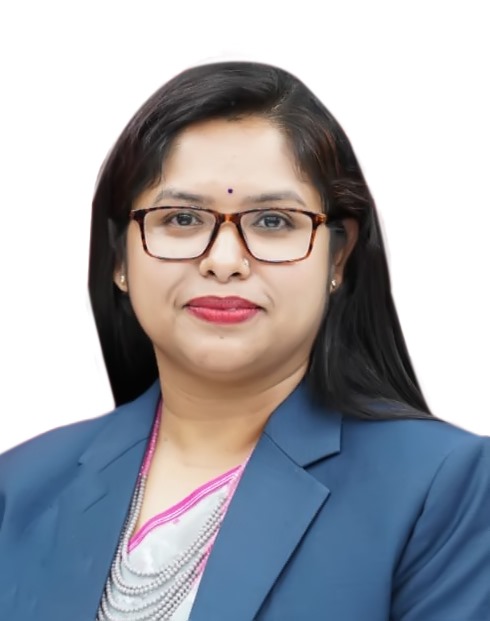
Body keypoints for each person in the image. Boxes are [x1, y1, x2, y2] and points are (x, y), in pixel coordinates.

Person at [0, 61, 488, 621]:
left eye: (273, 221)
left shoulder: (441, 489)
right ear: (120, 258)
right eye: (182, 218)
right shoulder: (20, 489)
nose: (225, 261)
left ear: (339, 256)